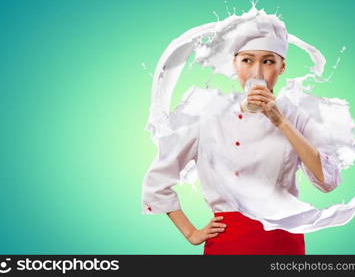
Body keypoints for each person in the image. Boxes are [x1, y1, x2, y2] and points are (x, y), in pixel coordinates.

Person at [141, 29, 342, 254]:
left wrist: (282, 123)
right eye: (247, 60)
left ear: (282, 67)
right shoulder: (206, 115)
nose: (257, 72)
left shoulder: (300, 116)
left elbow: (328, 182)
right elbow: (156, 183)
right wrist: (191, 232)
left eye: (268, 61)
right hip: (230, 241)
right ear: (234, 64)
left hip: (283, 242)